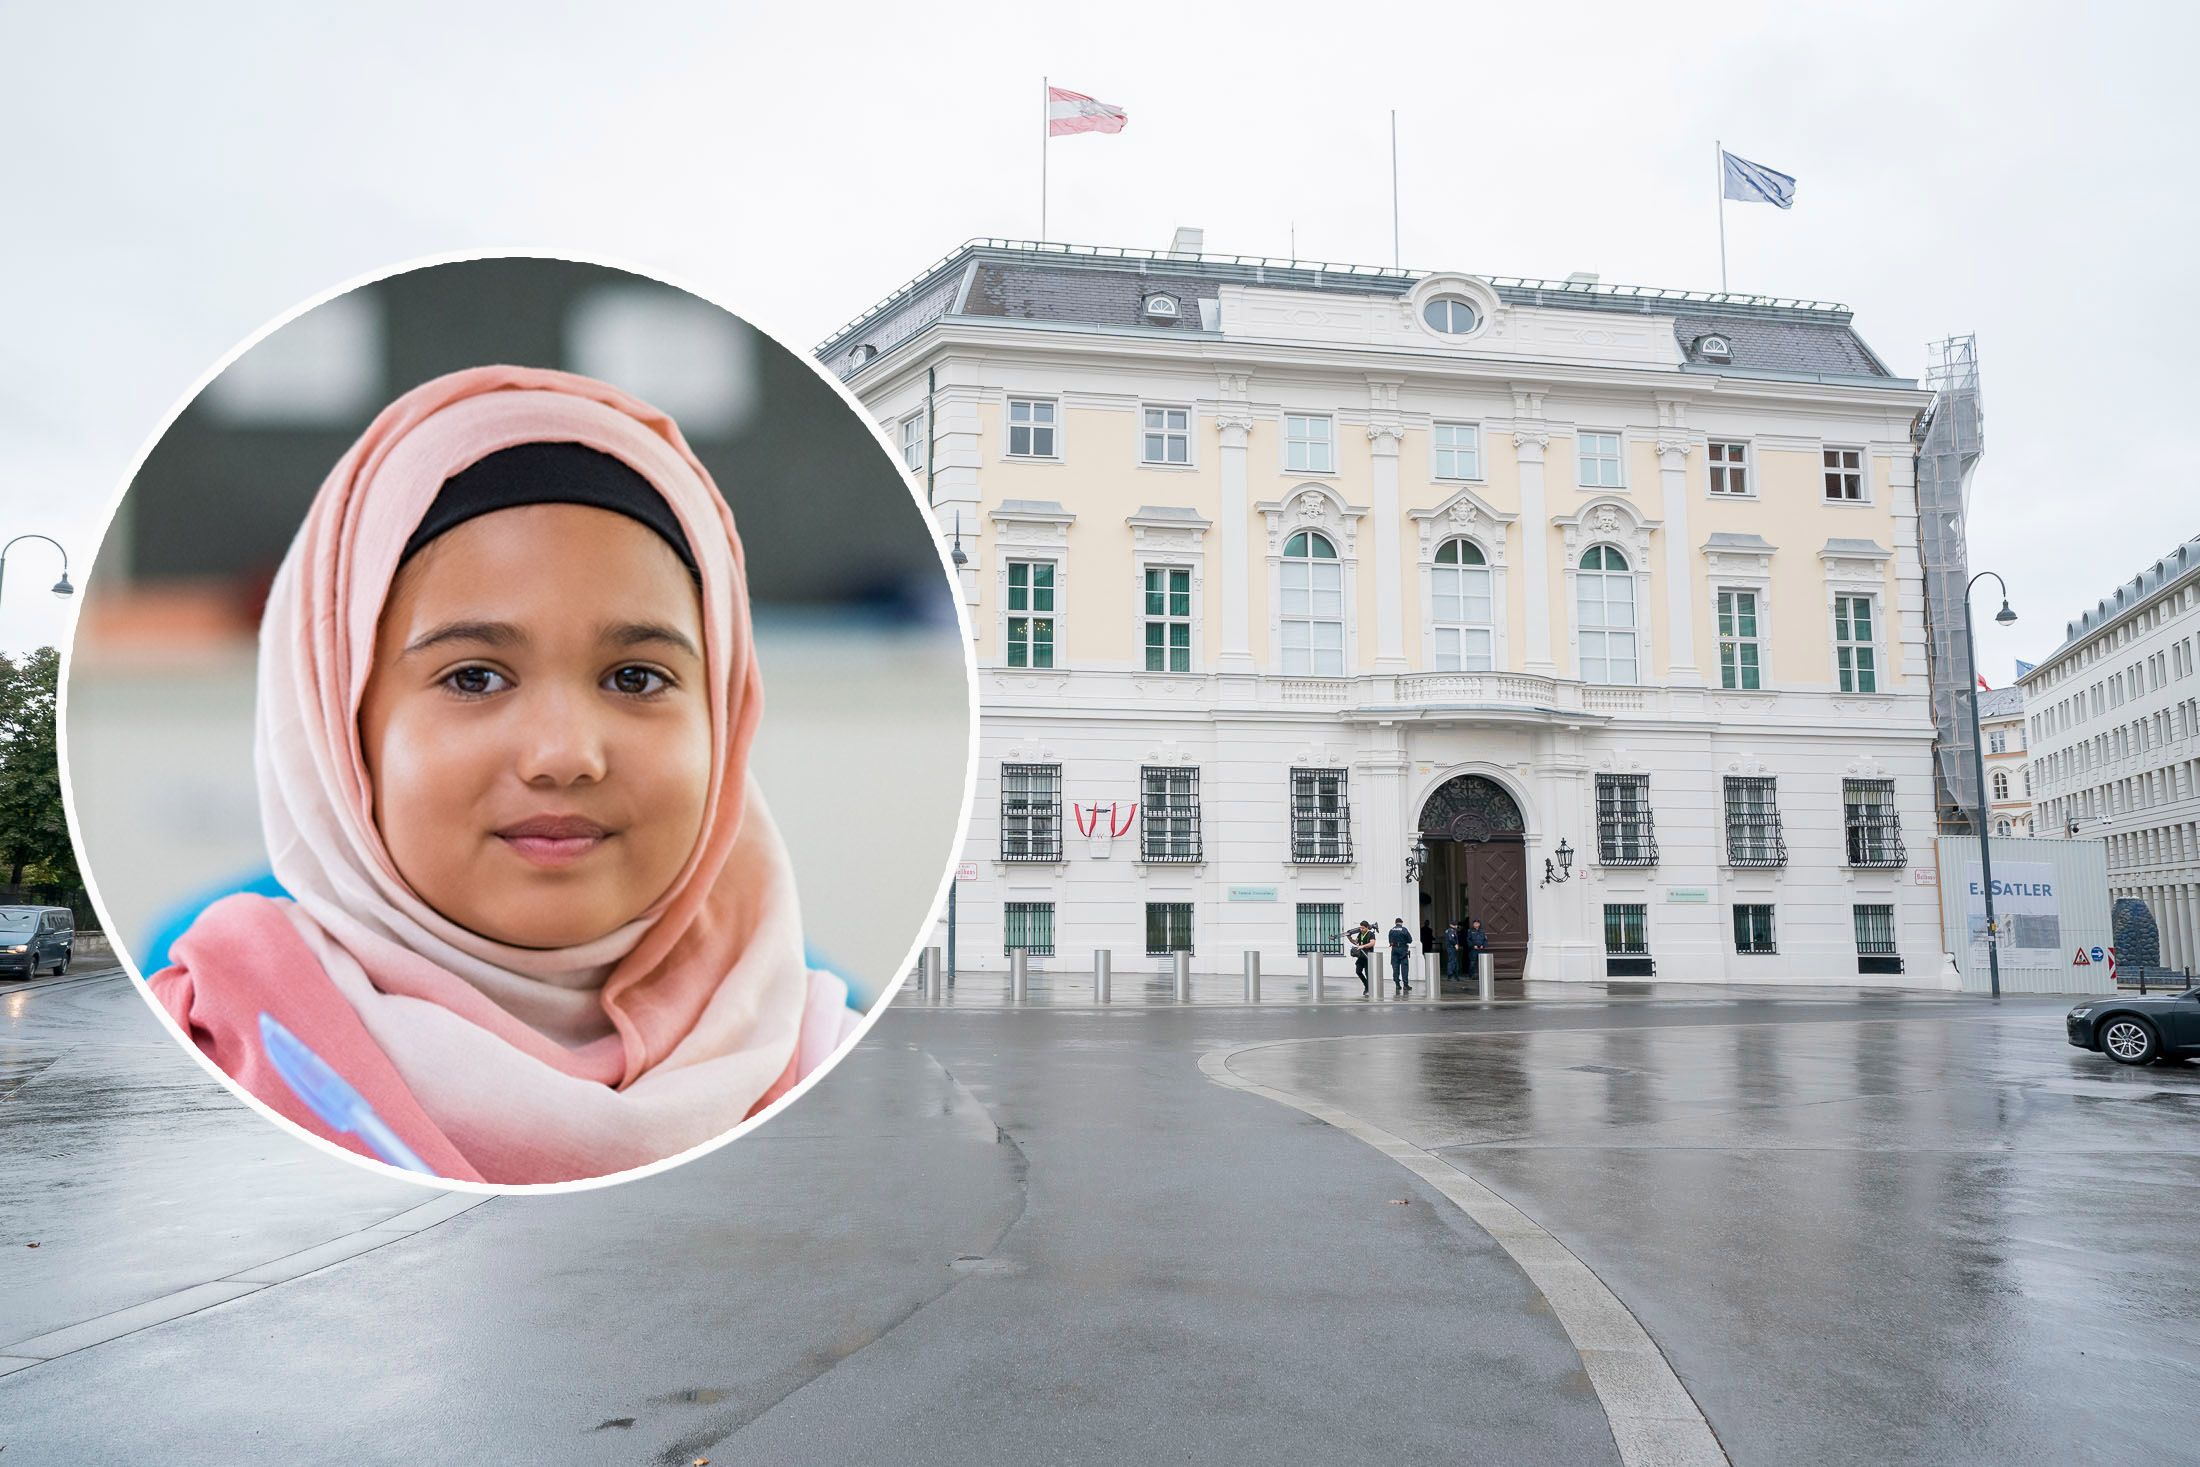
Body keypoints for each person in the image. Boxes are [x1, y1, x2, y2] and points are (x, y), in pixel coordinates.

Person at [149, 365, 860, 1185]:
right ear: (341, 729)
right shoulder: (210, 1044)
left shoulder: (837, 1073)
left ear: (724, 718)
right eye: (473, 677)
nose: (563, 755)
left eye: (636, 678)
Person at [1349, 920, 1377, 995]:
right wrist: (1349, 938)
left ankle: (1368, 989)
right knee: (1358, 971)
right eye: (1360, 928)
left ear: (1367, 927)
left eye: (1363, 928)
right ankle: (1366, 986)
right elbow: (1356, 942)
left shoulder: (1371, 934)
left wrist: (1363, 946)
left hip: (1368, 956)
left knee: (1368, 973)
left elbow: (1372, 943)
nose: (1361, 929)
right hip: (1361, 956)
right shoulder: (1360, 934)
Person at [1388, 917, 1413, 994]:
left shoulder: (1391, 930)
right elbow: (1410, 940)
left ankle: (1397, 984)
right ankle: (1405, 985)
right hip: (1403, 949)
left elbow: (1390, 940)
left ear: (1395, 923)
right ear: (1401, 922)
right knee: (1404, 967)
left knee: (1395, 967)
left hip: (1394, 949)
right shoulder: (1404, 929)